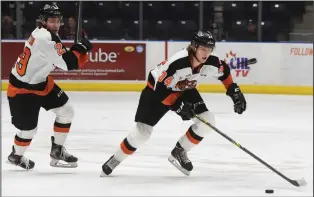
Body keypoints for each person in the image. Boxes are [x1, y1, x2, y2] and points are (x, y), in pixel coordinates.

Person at [100, 30, 246, 176]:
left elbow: (224, 71)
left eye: (209, 49)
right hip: (156, 91)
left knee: (207, 121)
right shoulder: (178, 63)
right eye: (203, 49)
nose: (206, 53)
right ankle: (116, 159)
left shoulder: (211, 62)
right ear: (194, 47)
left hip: (184, 89)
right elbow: (161, 90)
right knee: (142, 133)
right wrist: (178, 106)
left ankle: (180, 150)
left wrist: (234, 91)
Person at [6, 3, 93, 170]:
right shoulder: (45, 38)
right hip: (22, 89)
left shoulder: (44, 34)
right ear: (43, 21)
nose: (56, 24)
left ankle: (57, 150)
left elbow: (65, 58)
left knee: (66, 111)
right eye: (51, 20)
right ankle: (15, 156)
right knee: (28, 130)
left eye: (58, 20)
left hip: (41, 83)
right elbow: (70, 64)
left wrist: (77, 50)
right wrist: (81, 49)